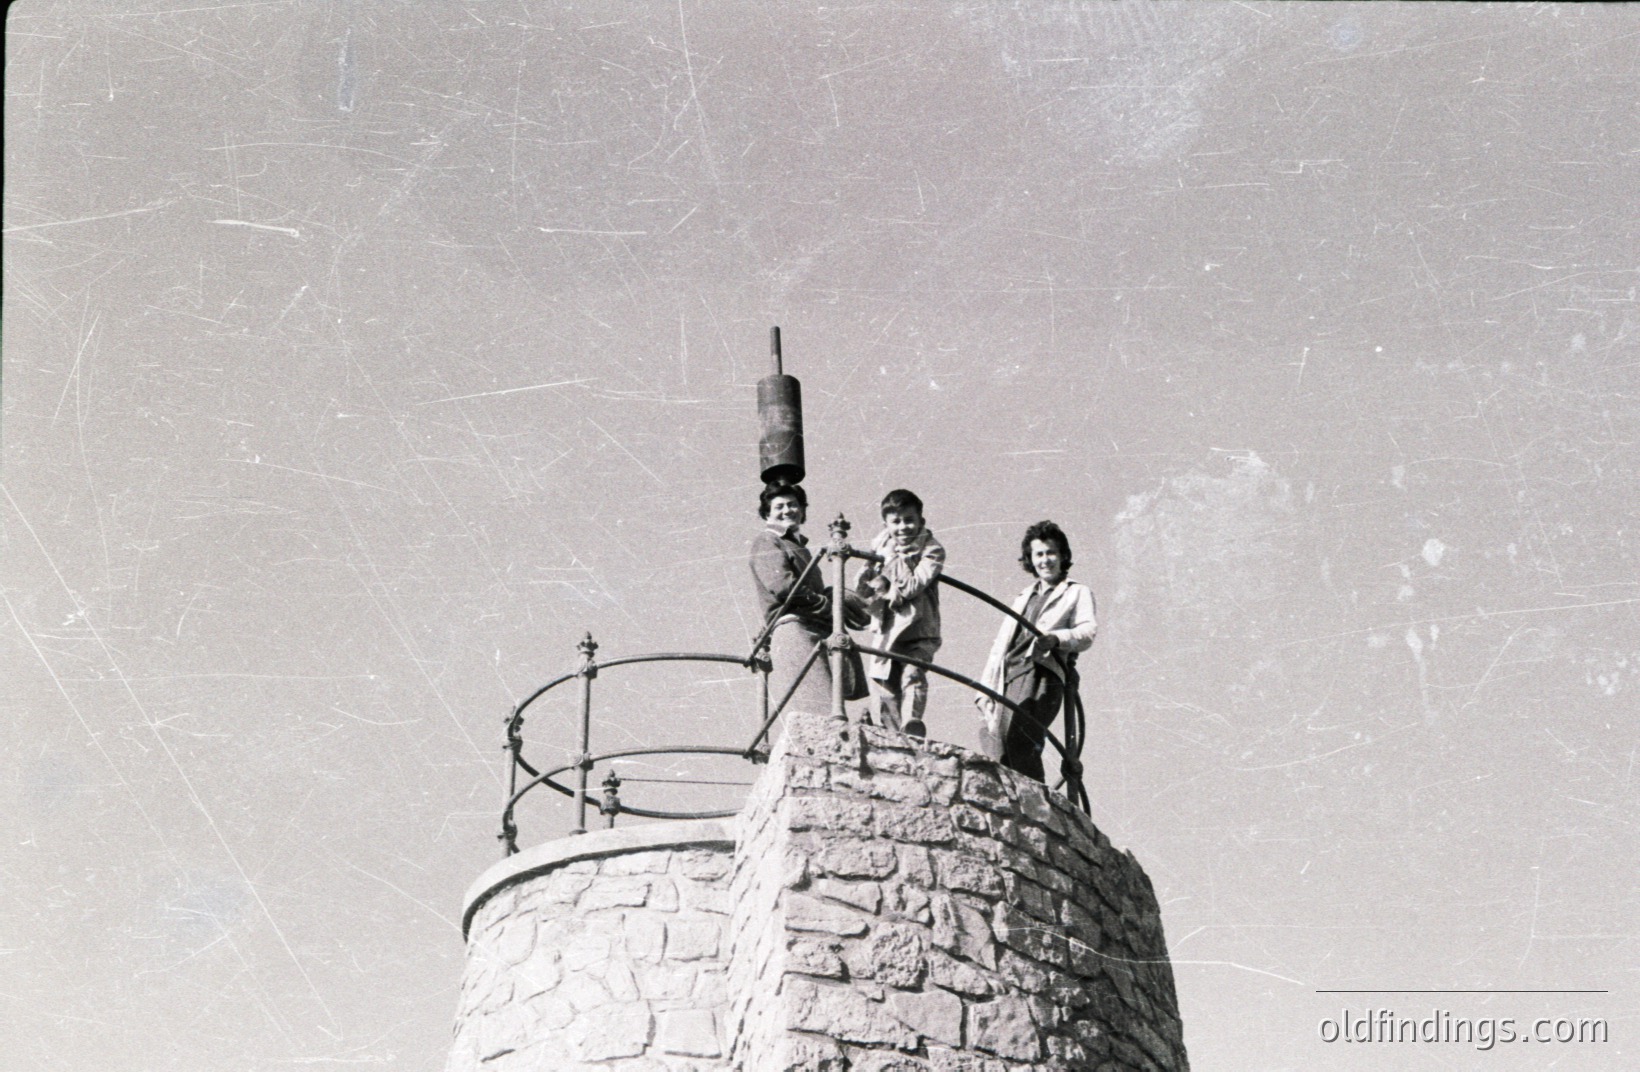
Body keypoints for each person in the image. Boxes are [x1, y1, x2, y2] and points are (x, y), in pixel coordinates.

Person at [975, 520, 1096, 780]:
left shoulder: (1076, 592)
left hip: (1040, 672)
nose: (1045, 560)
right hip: (1007, 675)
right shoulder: (1023, 597)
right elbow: (999, 647)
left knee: (1020, 739)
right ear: (1030, 559)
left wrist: (1056, 638)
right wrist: (983, 690)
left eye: (1051, 552)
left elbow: (1087, 633)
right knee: (994, 741)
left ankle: (1035, 808)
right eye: (1038, 554)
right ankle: (1010, 807)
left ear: (1063, 555)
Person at [855, 489, 945, 736]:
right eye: (896, 522)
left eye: (909, 520)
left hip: (919, 630)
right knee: (883, 682)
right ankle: (894, 735)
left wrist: (892, 562)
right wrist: (869, 575)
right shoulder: (881, 545)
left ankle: (912, 723)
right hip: (888, 628)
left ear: (921, 521)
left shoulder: (932, 549)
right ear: (886, 524)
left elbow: (913, 585)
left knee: (912, 674)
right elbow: (866, 585)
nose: (903, 527)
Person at [748, 481, 834, 717]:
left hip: (814, 627)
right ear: (767, 513)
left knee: (826, 705)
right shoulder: (768, 541)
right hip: (794, 627)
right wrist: (824, 604)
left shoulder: (797, 546)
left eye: (793, 505)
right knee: (816, 706)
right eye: (780, 506)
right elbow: (783, 586)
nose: (787, 510)